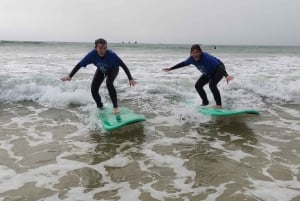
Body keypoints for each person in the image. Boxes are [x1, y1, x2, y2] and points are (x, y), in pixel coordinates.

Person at [61, 38, 136, 114]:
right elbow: (79, 65)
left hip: (113, 69)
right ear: (95, 48)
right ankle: (100, 106)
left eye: (105, 48)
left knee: (109, 83)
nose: (103, 50)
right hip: (102, 69)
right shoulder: (91, 55)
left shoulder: (112, 55)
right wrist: (70, 76)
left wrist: (130, 78)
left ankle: (115, 108)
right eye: (100, 48)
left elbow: (123, 65)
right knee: (93, 89)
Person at [163, 44, 233, 109]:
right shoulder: (191, 59)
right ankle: (205, 102)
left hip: (218, 69)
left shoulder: (206, 58)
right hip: (208, 72)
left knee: (212, 85)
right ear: (191, 53)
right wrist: (171, 68)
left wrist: (226, 75)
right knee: (198, 86)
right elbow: (183, 64)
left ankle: (219, 105)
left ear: (200, 52)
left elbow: (219, 66)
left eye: (197, 52)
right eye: (193, 53)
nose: (195, 54)